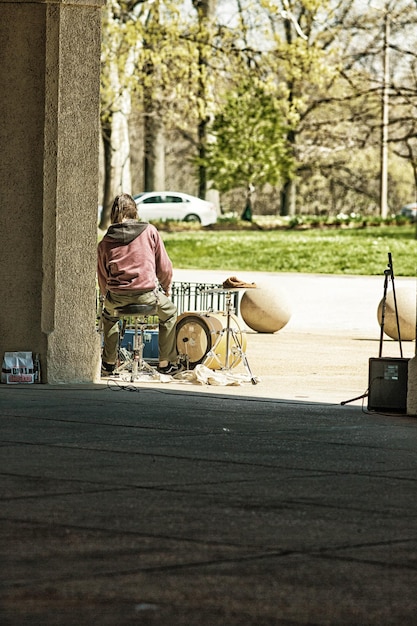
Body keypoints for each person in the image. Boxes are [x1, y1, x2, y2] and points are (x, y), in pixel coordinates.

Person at [97, 193, 181, 376]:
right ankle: (166, 363)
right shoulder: (150, 231)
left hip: (117, 297)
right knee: (170, 313)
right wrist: (166, 289)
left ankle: (109, 363)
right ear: (134, 211)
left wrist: (105, 295)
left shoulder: (105, 241)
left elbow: (102, 276)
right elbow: (164, 267)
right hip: (147, 295)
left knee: (109, 317)